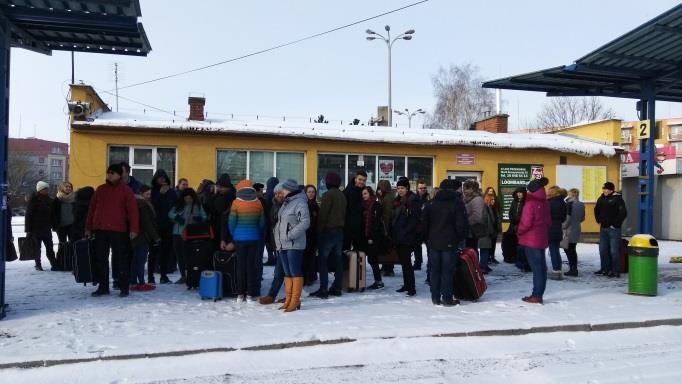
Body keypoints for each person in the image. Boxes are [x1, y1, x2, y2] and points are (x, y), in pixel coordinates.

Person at [86, 164, 139, 297]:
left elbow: (133, 211)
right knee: (100, 259)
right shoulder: (100, 189)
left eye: (113, 173)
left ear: (119, 175)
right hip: (100, 229)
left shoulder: (125, 190)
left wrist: (133, 229)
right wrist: (88, 227)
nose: (109, 175)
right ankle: (103, 286)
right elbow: (92, 210)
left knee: (121, 259)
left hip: (119, 229)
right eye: (108, 172)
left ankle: (123, 286)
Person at [422, 179, 467, 306]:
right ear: (452, 190)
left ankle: (435, 297)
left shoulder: (430, 204)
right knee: (447, 271)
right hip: (450, 243)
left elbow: (424, 225)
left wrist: (427, 240)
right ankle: (447, 298)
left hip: (433, 243)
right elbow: (461, 225)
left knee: (434, 270)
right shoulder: (457, 204)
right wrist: (458, 239)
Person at [273, 179, 310, 312]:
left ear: (287, 189)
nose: (279, 194)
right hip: (283, 243)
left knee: (295, 272)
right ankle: (289, 299)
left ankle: (295, 300)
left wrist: (290, 235)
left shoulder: (300, 202)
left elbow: (305, 222)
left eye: (281, 191)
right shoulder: (286, 203)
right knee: (287, 273)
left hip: (294, 243)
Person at [226, 180, 266, 301]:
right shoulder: (258, 203)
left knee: (240, 266)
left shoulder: (236, 203)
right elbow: (262, 222)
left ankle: (240, 294)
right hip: (254, 238)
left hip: (239, 239)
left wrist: (235, 235)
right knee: (250, 266)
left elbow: (231, 222)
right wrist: (256, 232)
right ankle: (249, 294)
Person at [310, 172, 346, 299]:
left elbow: (323, 215)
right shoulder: (342, 195)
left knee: (323, 260)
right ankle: (337, 287)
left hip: (328, 232)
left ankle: (323, 289)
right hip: (340, 231)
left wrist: (318, 231)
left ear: (328, 182)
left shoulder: (327, 195)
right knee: (338, 260)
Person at [517, 177, 551, 304]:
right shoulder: (545, 203)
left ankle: (536, 295)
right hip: (541, 238)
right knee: (542, 268)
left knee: (536, 269)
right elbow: (549, 221)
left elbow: (526, 223)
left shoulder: (530, 203)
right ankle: (539, 293)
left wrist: (519, 232)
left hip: (530, 240)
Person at [169, 188, 208, 289]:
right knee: (179, 255)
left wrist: (198, 218)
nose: (188, 200)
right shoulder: (179, 205)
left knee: (189, 257)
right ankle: (183, 275)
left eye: (189, 198)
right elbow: (170, 213)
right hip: (177, 233)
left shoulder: (197, 206)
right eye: (186, 198)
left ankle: (191, 276)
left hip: (191, 234)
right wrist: (177, 217)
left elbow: (205, 216)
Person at [392, 178, 420, 296]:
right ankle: (406, 284)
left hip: (407, 236)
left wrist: (406, 232)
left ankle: (411, 287)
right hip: (398, 235)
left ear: (407, 188)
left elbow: (414, 219)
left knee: (407, 263)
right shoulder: (398, 200)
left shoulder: (412, 199)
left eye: (402, 188)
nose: (400, 190)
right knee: (403, 262)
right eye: (398, 188)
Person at [258, 183, 286, 304]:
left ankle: (275, 295)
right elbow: (272, 226)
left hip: (287, 243)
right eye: (276, 193)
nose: (278, 195)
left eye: (280, 193)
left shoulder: (287, 205)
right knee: (281, 270)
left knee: (284, 271)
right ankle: (274, 295)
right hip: (278, 242)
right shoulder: (274, 205)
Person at [594, 181, 627, 278]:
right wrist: (598, 220)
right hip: (603, 228)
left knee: (614, 251)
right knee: (603, 250)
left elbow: (623, 213)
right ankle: (605, 269)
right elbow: (596, 210)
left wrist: (615, 224)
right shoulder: (601, 198)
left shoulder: (618, 199)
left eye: (606, 189)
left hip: (614, 229)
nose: (604, 190)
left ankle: (615, 270)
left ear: (611, 190)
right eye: (603, 189)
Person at [151, 170, 178, 284]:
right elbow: (152, 205)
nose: (162, 180)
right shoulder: (153, 191)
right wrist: (160, 194)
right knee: (154, 251)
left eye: (164, 178)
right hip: (156, 225)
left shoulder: (171, 192)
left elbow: (176, 205)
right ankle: (150, 276)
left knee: (166, 251)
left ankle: (163, 274)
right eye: (159, 178)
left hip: (168, 224)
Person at [130, 185, 159, 291]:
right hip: (142, 235)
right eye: (147, 194)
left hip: (135, 235)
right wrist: (156, 237)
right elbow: (147, 222)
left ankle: (133, 282)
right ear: (141, 194)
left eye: (150, 194)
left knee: (135, 260)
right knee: (140, 260)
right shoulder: (142, 204)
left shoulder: (134, 202)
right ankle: (141, 282)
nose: (149, 196)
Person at [26, 181, 58, 271]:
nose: (47, 190)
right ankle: (38, 265)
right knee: (37, 248)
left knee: (50, 247)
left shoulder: (49, 200)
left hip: (46, 228)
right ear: (40, 190)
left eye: (47, 189)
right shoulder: (33, 200)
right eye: (45, 189)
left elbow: (53, 215)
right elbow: (28, 216)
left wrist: (54, 225)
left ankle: (54, 264)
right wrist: (28, 230)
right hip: (35, 229)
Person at [360, 186, 385, 290]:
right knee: (371, 259)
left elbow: (377, 223)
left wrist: (372, 237)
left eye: (365, 194)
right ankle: (377, 281)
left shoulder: (375, 205)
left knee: (372, 259)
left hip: (373, 237)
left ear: (370, 194)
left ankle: (378, 281)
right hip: (365, 236)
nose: (364, 196)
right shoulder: (363, 205)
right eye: (363, 194)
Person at [462, 180, 487, 266]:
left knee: (472, 250)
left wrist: (465, 222)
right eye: (464, 188)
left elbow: (478, 216)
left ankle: (474, 267)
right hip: (468, 231)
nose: (464, 190)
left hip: (473, 230)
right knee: (469, 250)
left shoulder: (477, 199)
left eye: (467, 188)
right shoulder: (467, 199)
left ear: (473, 189)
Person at [51, 181, 76, 266]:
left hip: (72, 225)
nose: (68, 188)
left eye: (70, 187)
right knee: (62, 244)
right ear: (62, 188)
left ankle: (72, 262)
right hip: (61, 226)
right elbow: (53, 214)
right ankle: (61, 262)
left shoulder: (75, 198)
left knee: (72, 244)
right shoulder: (57, 199)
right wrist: (54, 225)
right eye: (66, 187)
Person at [562, 188, 585, 277]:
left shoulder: (569, 204)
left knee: (567, 249)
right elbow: (583, 218)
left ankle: (573, 269)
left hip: (568, 229)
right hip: (577, 228)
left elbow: (567, 219)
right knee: (572, 249)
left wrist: (563, 226)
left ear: (571, 194)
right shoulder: (581, 204)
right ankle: (574, 268)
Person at [547, 186, 567, 280]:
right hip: (558, 228)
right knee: (555, 250)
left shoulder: (549, 203)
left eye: (549, 191)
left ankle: (555, 271)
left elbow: (545, 216)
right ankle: (558, 270)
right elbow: (564, 218)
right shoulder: (563, 202)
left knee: (551, 250)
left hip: (549, 228)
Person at [343, 170, 367, 250]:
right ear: (355, 179)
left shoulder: (365, 192)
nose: (361, 182)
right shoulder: (347, 192)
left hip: (361, 228)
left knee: (360, 253)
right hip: (348, 228)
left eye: (364, 180)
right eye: (360, 179)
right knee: (346, 251)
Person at [479, 192, 501, 274]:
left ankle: (484, 266)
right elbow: (488, 222)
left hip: (487, 232)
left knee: (486, 250)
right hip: (485, 233)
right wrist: (490, 232)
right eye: (492, 199)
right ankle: (483, 267)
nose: (493, 201)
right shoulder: (486, 208)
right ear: (487, 199)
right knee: (484, 250)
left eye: (494, 199)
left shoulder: (489, 208)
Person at [377, 180, 396, 277]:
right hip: (388, 226)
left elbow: (387, 215)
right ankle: (386, 266)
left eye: (380, 187)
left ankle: (388, 267)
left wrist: (385, 229)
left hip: (387, 227)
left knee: (388, 248)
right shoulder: (387, 197)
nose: (378, 190)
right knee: (387, 248)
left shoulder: (387, 198)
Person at [508, 187, 529, 271]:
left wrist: (520, 222)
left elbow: (526, 214)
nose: (519, 194)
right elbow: (511, 212)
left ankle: (523, 263)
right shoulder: (514, 202)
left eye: (521, 193)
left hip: (523, 227)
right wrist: (513, 221)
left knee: (522, 246)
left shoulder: (526, 202)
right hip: (514, 226)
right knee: (516, 245)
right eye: (518, 193)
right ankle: (518, 261)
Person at [303, 185, 319, 286]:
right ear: (305, 193)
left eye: (313, 192)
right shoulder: (303, 205)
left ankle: (311, 276)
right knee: (304, 258)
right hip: (304, 236)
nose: (311, 194)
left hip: (313, 236)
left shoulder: (316, 206)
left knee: (311, 257)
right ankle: (304, 277)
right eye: (309, 192)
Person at [413, 180, 430, 271]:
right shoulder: (414, 198)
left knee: (429, 248)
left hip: (427, 227)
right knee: (416, 246)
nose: (423, 189)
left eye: (424, 188)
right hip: (417, 226)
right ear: (417, 188)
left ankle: (429, 265)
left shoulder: (429, 198)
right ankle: (418, 263)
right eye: (421, 188)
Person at [262, 177, 280, 266]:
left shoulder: (265, 195)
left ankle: (270, 257)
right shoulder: (277, 194)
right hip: (275, 221)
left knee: (268, 240)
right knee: (275, 240)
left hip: (266, 221)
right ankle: (276, 258)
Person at [483, 187, 501, 264]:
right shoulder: (485, 203)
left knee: (493, 242)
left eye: (492, 191)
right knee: (488, 243)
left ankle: (492, 256)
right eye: (489, 191)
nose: (491, 193)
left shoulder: (495, 202)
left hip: (495, 225)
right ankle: (488, 258)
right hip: (489, 226)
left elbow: (498, 212)